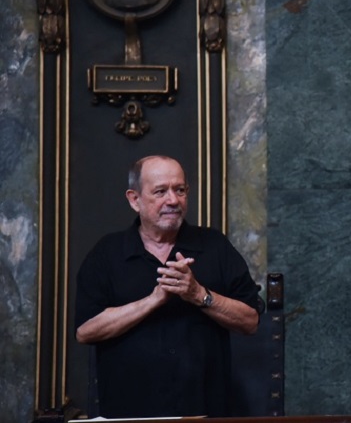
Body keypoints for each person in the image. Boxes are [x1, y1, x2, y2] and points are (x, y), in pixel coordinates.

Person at [75, 155, 260, 418]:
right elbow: (85, 331)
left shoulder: (214, 246)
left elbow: (250, 321)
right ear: (134, 199)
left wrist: (198, 294)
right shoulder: (107, 253)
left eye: (180, 190)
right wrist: (153, 300)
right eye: (161, 191)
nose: (173, 200)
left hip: (205, 411)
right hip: (128, 412)